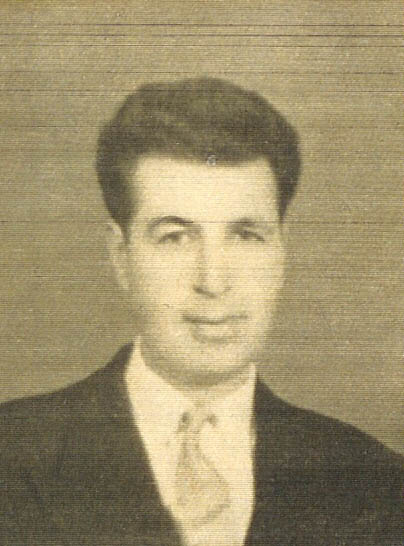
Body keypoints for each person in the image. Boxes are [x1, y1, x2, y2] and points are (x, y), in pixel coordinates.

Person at [0, 78, 403, 546]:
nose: (213, 281)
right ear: (120, 256)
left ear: (281, 252)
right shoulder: (13, 455)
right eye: (175, 237)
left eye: (246, 235)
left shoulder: (375, 481)